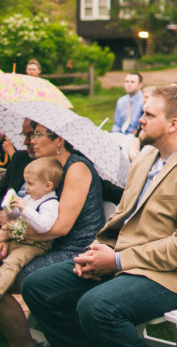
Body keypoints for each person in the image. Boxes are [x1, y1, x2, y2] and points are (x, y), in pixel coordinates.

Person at [22, 86, 177, 347]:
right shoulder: (147, 157)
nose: (140, 119)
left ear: (173, 124)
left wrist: (117, 261)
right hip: (129, 259)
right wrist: (96, 250)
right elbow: (123, 215)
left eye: (149, 114)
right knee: (38, 286)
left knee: (96, 307)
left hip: (176, 276)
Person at [0, 118, 106, 347]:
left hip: (74, 251)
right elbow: (14, 212)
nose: (31, 141)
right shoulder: (43, 169)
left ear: (59, 138)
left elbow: (59, 228)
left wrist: (9, 235)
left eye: (38, 134)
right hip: (43, 246)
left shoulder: (76, 168)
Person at [0, 158, 63, 295]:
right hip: (18, 237)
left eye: (30, 183)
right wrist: (10, 209)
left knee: (12, 263)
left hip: (34, 244)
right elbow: (16, 217)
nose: (26, 187)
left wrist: (25, 209)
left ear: (48, 186)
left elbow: (43, 227)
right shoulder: (31, 197)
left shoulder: (50, 203)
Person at [0, 119, 37, 208]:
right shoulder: (20, 158)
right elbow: (1, 192)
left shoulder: (63, 166)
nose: (26, 141)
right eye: (24, 135)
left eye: (31, 135)